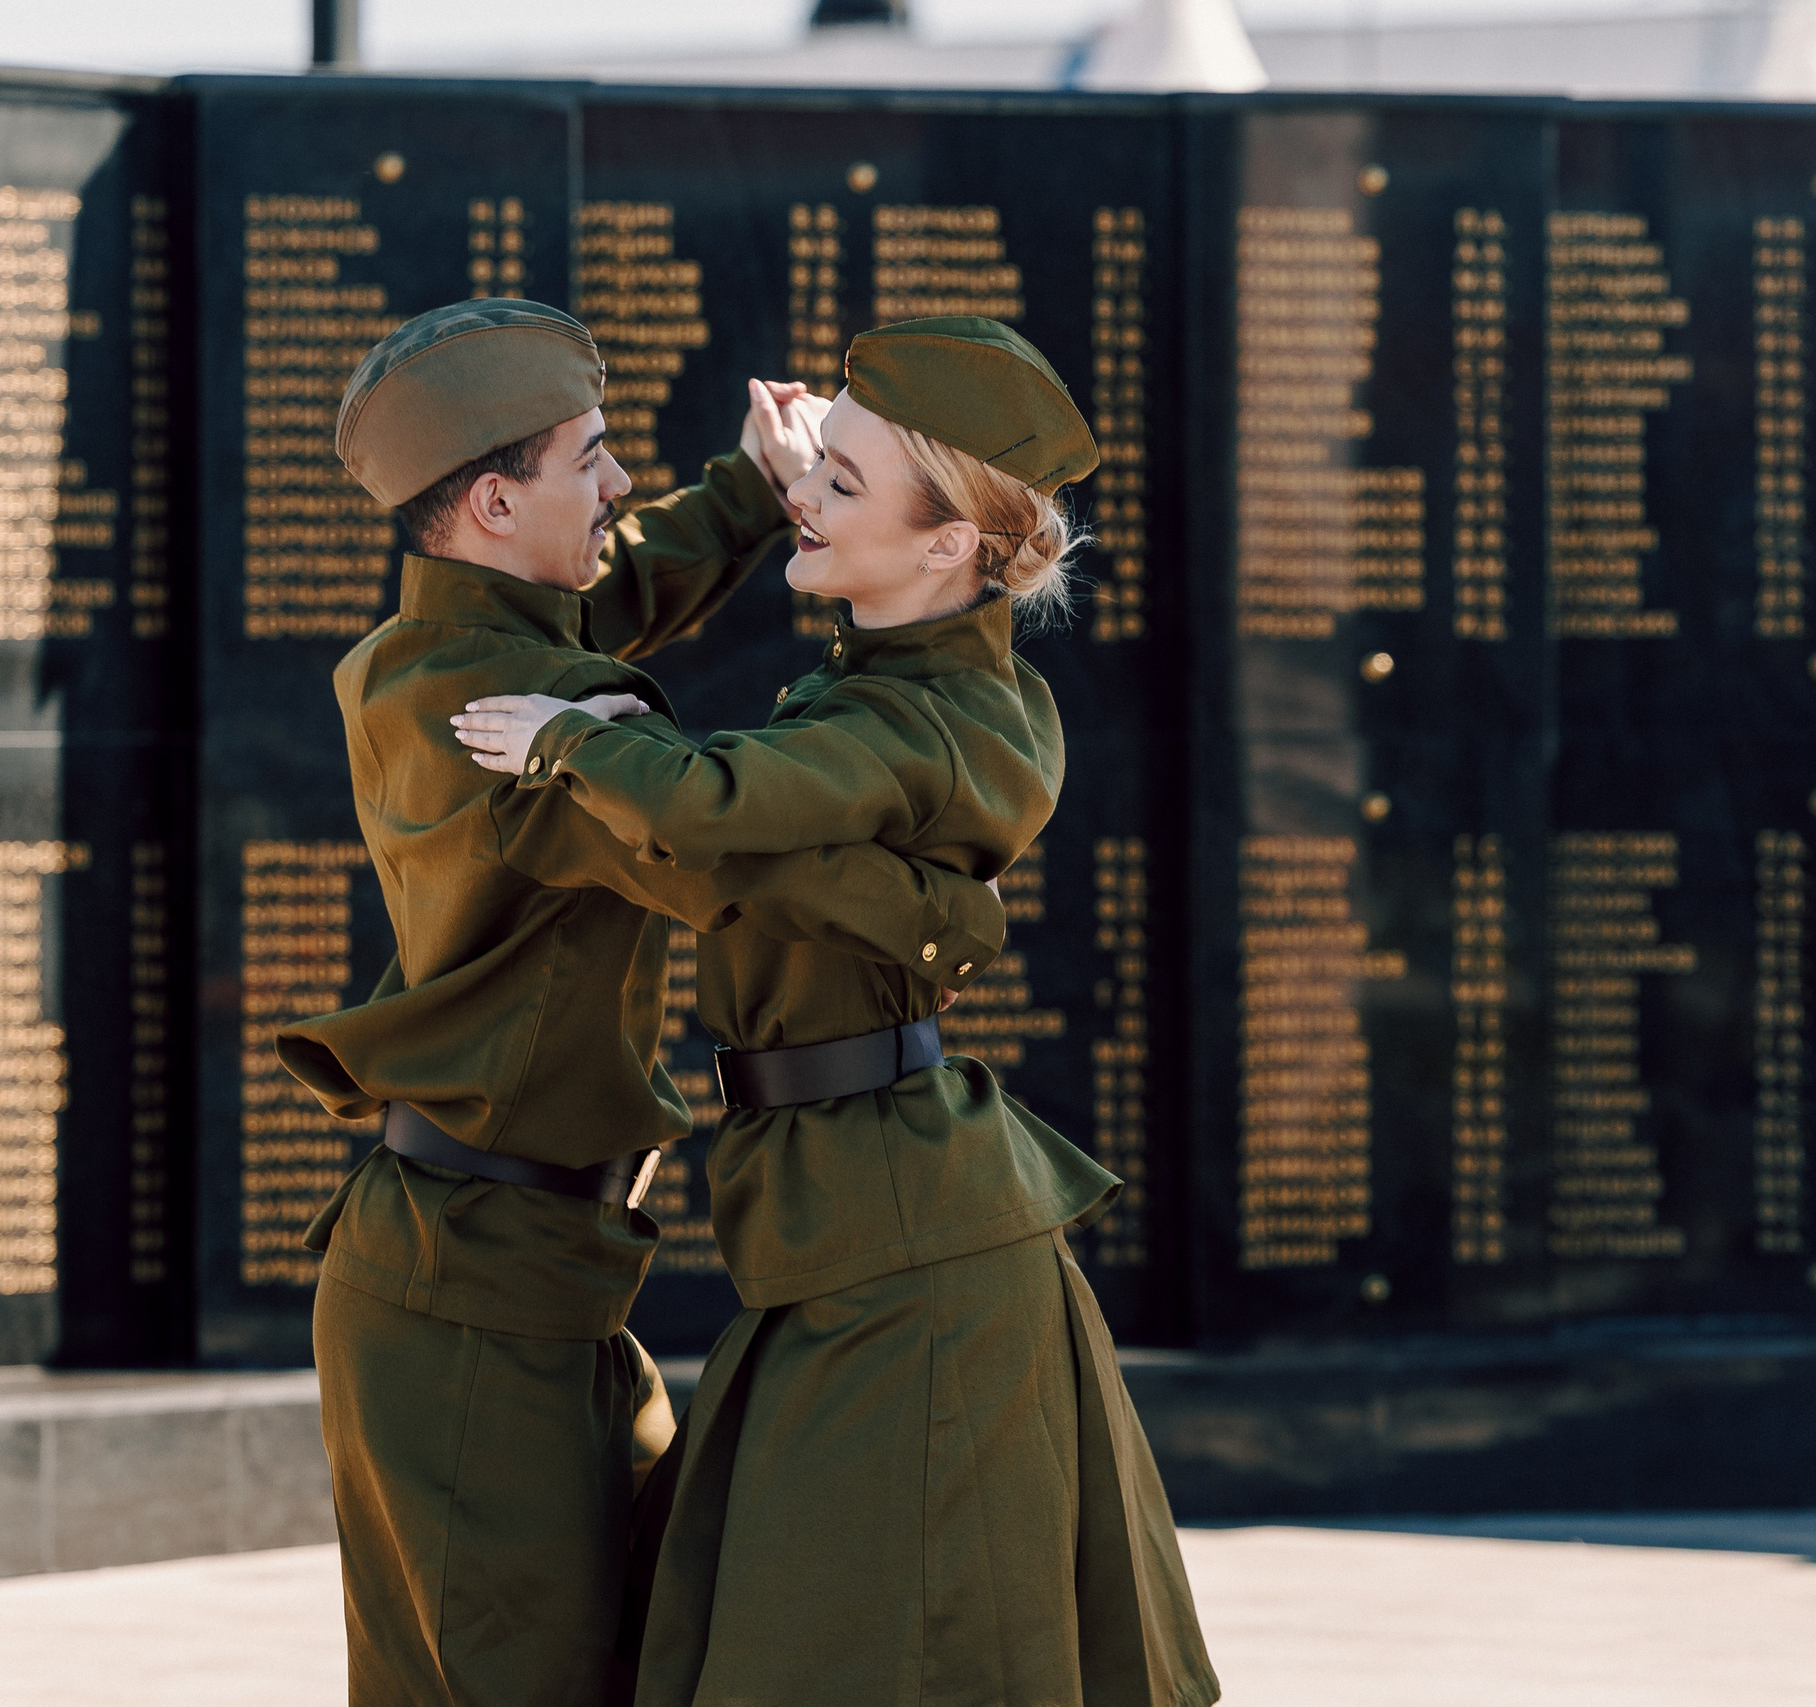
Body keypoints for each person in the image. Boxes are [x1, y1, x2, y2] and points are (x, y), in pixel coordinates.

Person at [453, 317, 1218, 1707]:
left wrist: (575, 740)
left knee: (860, 1655)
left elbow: (718, 804)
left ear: (948, 544)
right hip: (857, 1220)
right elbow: (775, 841)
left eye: (842, 483)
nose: (806, 495)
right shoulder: (914, 676)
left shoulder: (927, 720)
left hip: (900, 1246)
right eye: (821, 464)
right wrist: (804, 475)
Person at [275, 299, 1009, 1707]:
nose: (619, 485)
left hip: (526, 1258)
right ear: (497, 504)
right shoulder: (501, 719)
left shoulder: (453, 651)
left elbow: (618, 586)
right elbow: (727, 864)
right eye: (591, 458)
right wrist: (958, 912)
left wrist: (755, 489)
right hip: (476, 1281)